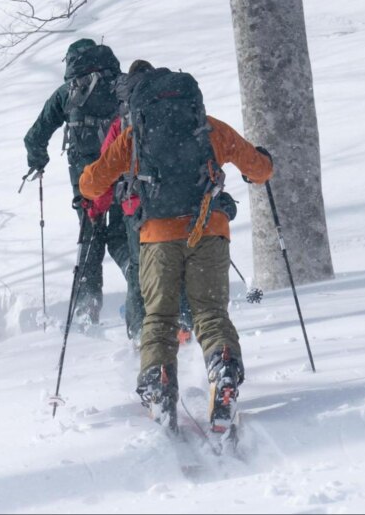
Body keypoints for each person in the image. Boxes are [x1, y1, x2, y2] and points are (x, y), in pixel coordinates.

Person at [79, 66, 273, 433]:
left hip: (157, 236)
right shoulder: (210, 127)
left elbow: (91, 184)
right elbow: (259, 169)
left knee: (159, 318)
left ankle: (158, 380)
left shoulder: (134, 135)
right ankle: (224, 367)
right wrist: (262, 162)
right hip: (210, 230)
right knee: (211, 313)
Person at [23, 39, 130, 327]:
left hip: (87, 182)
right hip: (124, 174)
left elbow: (35, 135)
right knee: (124, 236)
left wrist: (38, 160)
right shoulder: (122, 84)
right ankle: (141, 290)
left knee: (91, 239)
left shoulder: (67, 91)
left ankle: (86, 309)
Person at [88, 60, 195, 346]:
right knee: (179, 266)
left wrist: (95, 208)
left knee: (139, 271)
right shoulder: (179, 110)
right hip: (182, 203)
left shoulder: (123, 122)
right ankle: (184, 324)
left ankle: (140, 333)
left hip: (137, 208)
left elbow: (105, 171)